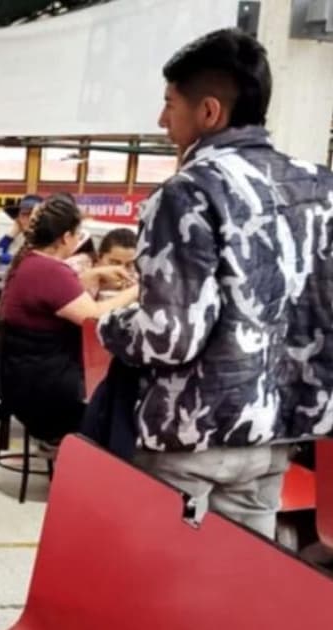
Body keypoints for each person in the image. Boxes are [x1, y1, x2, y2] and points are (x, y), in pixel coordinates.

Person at [98, 29, 333, 538]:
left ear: (208, 112)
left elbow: (170, 336)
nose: (162, 120)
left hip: (191, 435)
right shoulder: (320, 187)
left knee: (159, 585)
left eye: (169, 104)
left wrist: (111, 324)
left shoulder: (187, 193)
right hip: (276, 433)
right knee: (234, 590)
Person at [0, 195, 138, 447]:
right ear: (66, 237)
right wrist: (137, 291)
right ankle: (88, 471)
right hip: (45, 392)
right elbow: (93, 315)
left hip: (19, 380)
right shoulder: (51, 271)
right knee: (118, 407)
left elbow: (59, 295)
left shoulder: (29, 262)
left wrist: (94, 273)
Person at [0, 195, 41, 265]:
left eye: (32, 214)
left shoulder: (45, 238)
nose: (30, 218)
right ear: (18, 218)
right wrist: (11, 234)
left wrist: (5, 257)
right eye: (24, 214)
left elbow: (28, 261)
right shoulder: (18, 236)